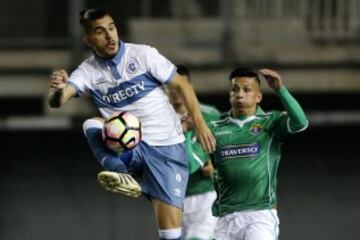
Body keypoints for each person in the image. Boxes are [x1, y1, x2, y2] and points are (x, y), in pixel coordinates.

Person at [48, 9, 215, 240]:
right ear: (88, 40)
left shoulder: (143, 54)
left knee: (170, 235)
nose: (110, 35)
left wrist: (201, 124)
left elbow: (182, 86)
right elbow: (58, 100)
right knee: (92, 124)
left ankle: (129, 174)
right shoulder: (88, 71)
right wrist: (57, 91)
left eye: (112, 27)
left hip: (167, 149)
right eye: (100, 31)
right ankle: (120, 172)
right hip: (131, 146)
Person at [210, 67, 308, 240]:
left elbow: (301, 123)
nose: (239, 94)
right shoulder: (215, 127)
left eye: (247, 90)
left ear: (258, 96)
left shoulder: (270, 122)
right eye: (235, 89)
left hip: (259, 215)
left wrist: (280, 89)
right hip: (225, 218)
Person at [168, 65, 219, 240]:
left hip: (204, 195)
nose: (177, 92)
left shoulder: (210, 116)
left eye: (182, 87)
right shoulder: (159, 119)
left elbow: (222, 153)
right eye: (172, 87)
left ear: (191, 88)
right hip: (172, 199)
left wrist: (216, 170)